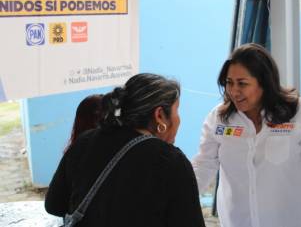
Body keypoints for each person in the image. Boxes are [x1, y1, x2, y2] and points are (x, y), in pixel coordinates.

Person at [192, 43, 301, 227]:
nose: (234, 91)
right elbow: (203, 166)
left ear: (265, 83)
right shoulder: (219, 119)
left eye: (242, 83)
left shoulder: (299, 113)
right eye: (229, 82)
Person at [45, 73, 206, 227]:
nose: (178, 119)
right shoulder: (171, 161)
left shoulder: (86, 141)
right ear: (159, 115)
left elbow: (54, 205)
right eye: (176, 110)